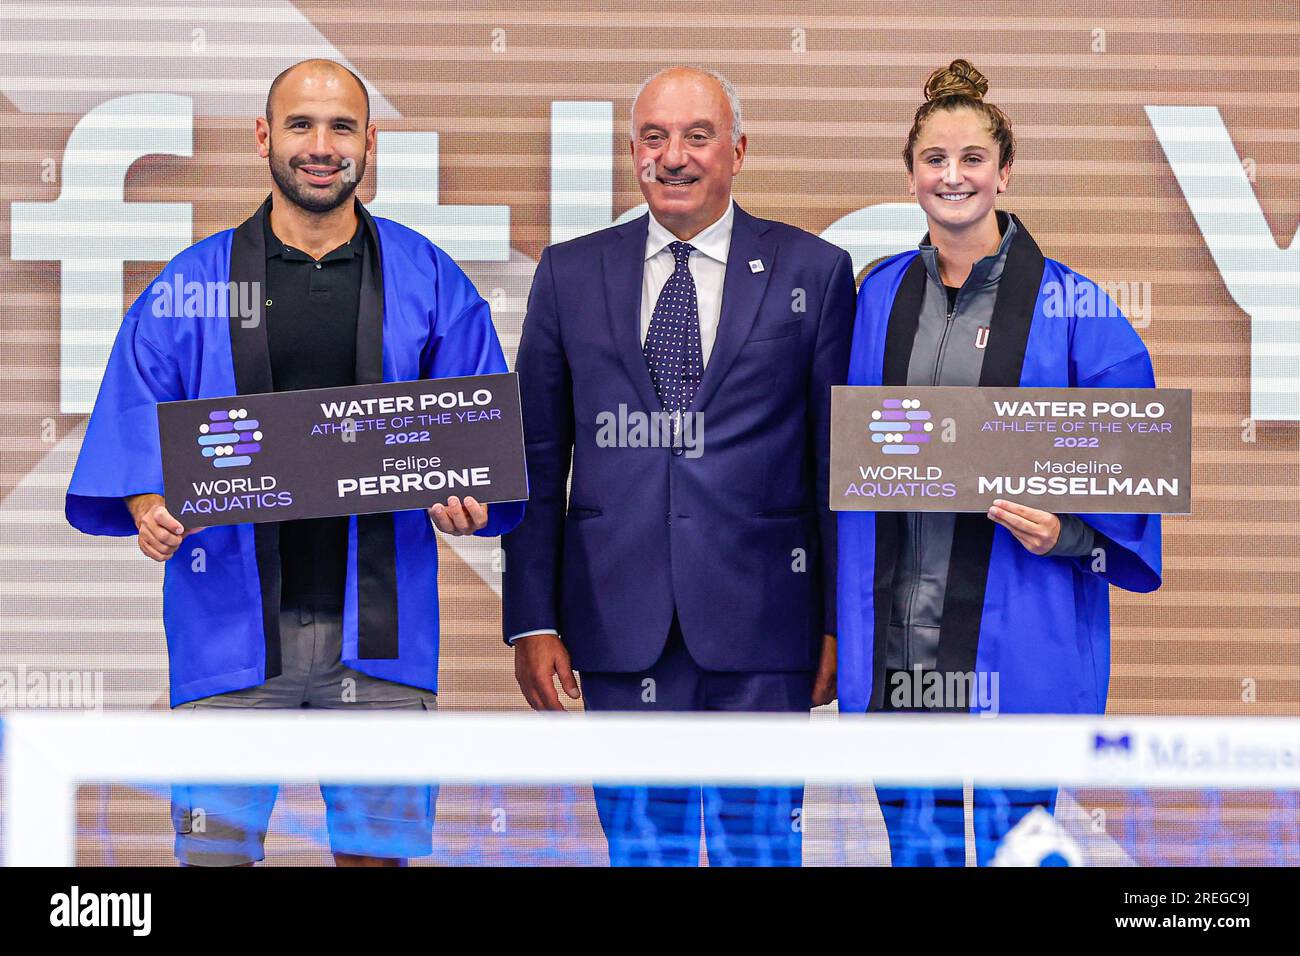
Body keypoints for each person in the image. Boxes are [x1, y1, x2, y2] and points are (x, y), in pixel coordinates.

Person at [65, 59, 523, 866]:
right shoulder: (192, 287)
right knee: (214, 857)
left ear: (371, 143)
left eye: (342, 127)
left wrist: (468, 497)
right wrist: (147, 502)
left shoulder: (431, 282)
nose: (321, 146)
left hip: (379, 631)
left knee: (377, 858)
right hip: (230, 624)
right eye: (302, 125)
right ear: (264, 138)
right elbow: (138, 419)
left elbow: (475, 440)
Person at [502, 66, 856, 866]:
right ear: (632, 153)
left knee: (761, 853)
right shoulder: (569, 272)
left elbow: (836, 464)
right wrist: (532, 617)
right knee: (642, 855)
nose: (675, 157)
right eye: (655, 138)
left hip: (768, 629)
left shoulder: (815, 273)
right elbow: (535, 452)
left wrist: (839, 621)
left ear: (737, 149)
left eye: (697, 137)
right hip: (616, 622)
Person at [837, 59, 1162, 865]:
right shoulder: (874, 297)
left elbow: (1128, 470)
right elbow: (838, 446)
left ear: (1004, 173)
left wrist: (1071, 536)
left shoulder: (1078, 309)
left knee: (1027, 844)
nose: (953, 177)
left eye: (973, 159)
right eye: (934, 160)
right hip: (899, 635)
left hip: (1017, 624)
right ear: (911, 176)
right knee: (918, 848)